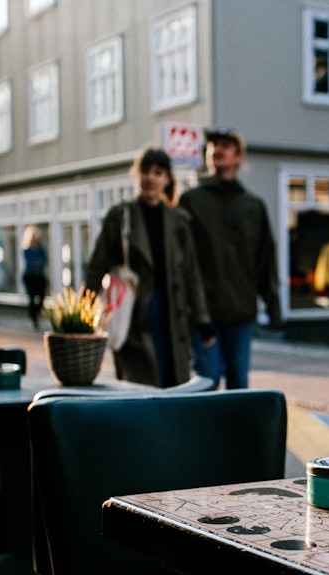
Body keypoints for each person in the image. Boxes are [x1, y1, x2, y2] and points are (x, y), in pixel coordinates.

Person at [86, 147, 214, 388]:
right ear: (137, 174)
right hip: (133, 312)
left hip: (171, 313)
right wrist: (83, 312)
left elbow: (191, 273)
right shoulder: (121, 216)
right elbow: (97, 265)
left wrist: (202, 318)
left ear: (167, 179)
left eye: (158, 172)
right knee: (140, 386)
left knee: (171, 380)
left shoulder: (179, 220)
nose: (150, 178)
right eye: (145, 171)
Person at [178, 127, 282, 389]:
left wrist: (272, 304)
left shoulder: (252, 206)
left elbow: (265, 259)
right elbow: (180, 259)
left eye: (225, 145)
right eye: (213, 145)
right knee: (206, 382)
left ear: (238, 157)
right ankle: (207, 432)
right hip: (203, 313)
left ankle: (236, 432)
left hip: (241, 311)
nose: (218, 150)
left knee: (238, 384)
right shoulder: (191, 201)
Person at [21, 225, 48, 330]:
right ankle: (33, 318)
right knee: (32, 298)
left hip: (39, 276)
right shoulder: (26, 249)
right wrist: (38, 262)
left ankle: (36, 314)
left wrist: (37, 263)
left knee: (41, 296)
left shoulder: (40, 248)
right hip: (30, 277)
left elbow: (45, 260)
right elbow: (30, 261)